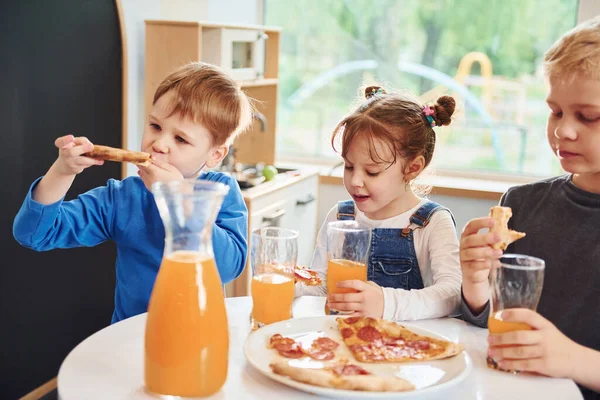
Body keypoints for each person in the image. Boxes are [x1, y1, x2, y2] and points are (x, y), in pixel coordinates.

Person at [13, 62, 253, 323]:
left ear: (215, 154)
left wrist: (179, 198)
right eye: (155, 126)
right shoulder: (122, 198)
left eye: (181, 139)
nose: (159, 144)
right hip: (131, 343)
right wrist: (62, 171)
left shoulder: (220, 192)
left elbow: (228, 268)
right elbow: (34, 234)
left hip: (200, 337)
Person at [459, 17, 600, 399]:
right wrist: (474, 281)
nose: (562, 131)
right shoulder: (520, 204)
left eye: (588, 117)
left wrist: (571, 359)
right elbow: (483, 320)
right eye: (556, 111)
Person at [297, 85, 462, 321]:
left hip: (405, 347)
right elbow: (322, 286)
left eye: (372, 172)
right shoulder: (341, 217)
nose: (355, 181)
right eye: (349, 166)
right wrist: (291, 282)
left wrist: (386, 303)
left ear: (412, 168)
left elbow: (452, 295)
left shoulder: (431, 223)